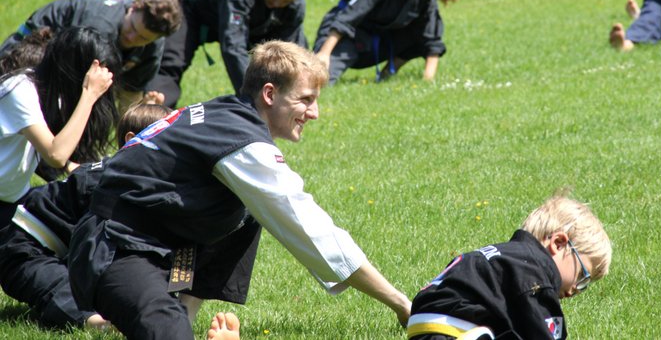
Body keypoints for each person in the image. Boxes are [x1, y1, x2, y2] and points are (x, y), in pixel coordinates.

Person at [68, 41, 411, 340]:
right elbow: (313, 231)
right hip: (114, 247)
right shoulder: (241, 143)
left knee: (244, 209)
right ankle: (171, 316)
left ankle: (183, 311)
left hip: (151, 238)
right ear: (270, 93)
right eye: (305, 99)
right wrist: (401, 304)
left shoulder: (225, 112)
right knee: (167, 329)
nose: (315, 113)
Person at [0, 102, 172, 330]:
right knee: (76, 302)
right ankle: (104, 325)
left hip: (61, 249)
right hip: (21, 248)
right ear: (133, 141)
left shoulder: (135, 181)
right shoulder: (110, 182)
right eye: (168, 144)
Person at [407, 196, 612, 339]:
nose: (577, 288)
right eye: (582, 276)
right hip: (456, 331)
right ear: (558, 244)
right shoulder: (535, 270)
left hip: (424, 326)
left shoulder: (504, 256)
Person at [148, 0, 311, 108]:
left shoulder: (295, 4)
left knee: (287, 56)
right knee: (171, 62)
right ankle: (151, 121)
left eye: (285, 1)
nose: (277, 3)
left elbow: (289, 51)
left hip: (244, 12)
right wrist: (253, 100)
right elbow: (233, 47)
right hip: (193, 5)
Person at [0, 26, 117, 227]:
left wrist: (75, 168)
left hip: (13, 199)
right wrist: (88, 95)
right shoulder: (20, 90)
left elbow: (46, 149)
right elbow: (55, 154)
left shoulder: (54, 94)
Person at [0, 0, 181, 111]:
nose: (133, 38)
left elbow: (130, 94)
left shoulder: (153, 47)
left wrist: (135, 130)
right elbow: (78, 90)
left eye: (143, 38)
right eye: (132, 27)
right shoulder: (99, 26)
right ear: (133, 7)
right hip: (25, 54)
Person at [314, 0, 458, 84]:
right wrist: (324, 54)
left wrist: (428, 80)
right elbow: (347, 18)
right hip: (346, 35)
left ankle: (388, 72)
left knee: (418, 36)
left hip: (379, 38)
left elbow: (432, 40)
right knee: (320, 80)